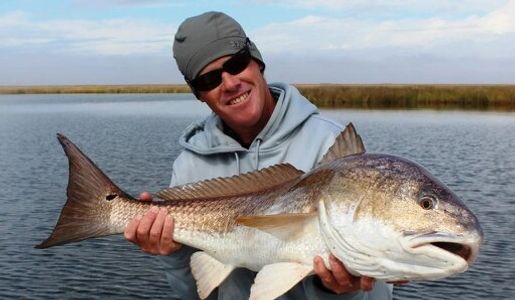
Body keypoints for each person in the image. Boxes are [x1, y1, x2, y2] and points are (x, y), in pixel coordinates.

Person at [124, 11, 394, 300]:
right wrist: (173, 256)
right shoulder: (190, 164)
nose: (229, 83)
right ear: (199, 94)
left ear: (257, 61)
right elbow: (194, 296)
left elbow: (381, 294)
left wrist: (338, 291)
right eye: (210, 79)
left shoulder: (332, 147)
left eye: (236, 64)